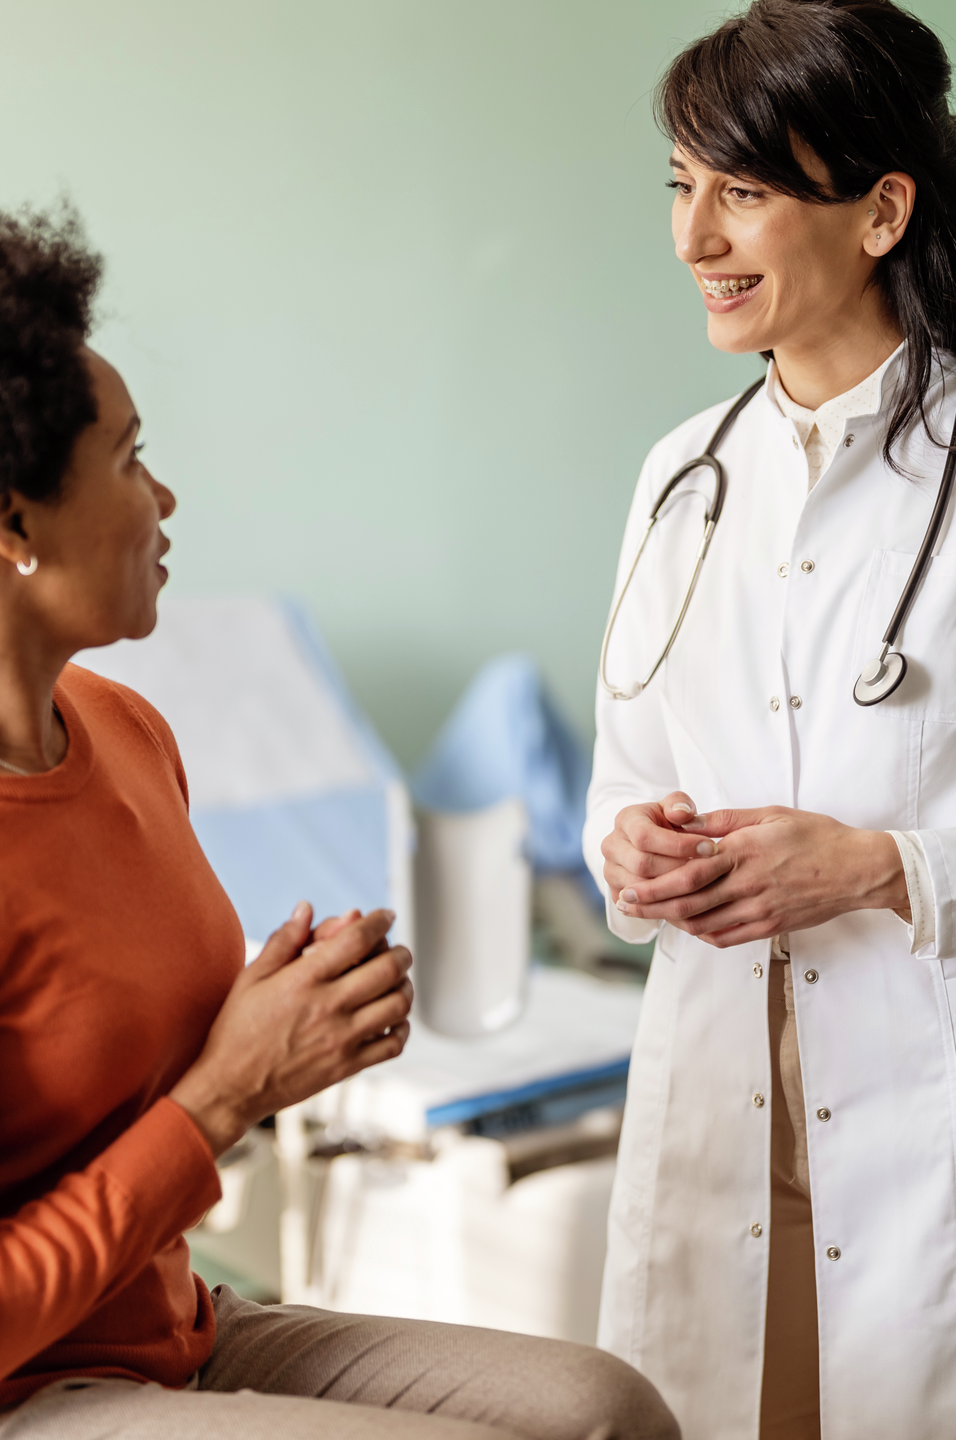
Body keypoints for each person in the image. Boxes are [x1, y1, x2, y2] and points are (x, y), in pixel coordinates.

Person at [0, 206, 679, 1440]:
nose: (164, 494)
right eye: (129, 457)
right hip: (28, 1383)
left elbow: (126, 1053)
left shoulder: (128, 731)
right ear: (14, 524)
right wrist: (225, 1094)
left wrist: (299, 1018)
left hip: (178, 1328)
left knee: (607, 1410)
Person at [583, 2, 956, 1438]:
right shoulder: (683, 477)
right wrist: (630, 850)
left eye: (742, 190)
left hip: (948, 1125)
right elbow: (625, 773)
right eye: (681, 186)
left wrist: (883, 869)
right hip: (726, 1103)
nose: (694, 239)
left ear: (880, 213)